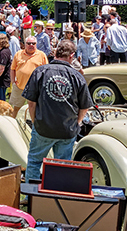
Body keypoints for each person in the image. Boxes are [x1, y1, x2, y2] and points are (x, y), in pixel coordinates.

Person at [23, 40, 92, 182]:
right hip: (67, 129)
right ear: (72, 56)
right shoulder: (77, 76)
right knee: (62, 166)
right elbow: (84, 106)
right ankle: (57, 199)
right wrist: (77, 123)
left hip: (43, 127)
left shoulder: (40, 71)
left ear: (55, 53)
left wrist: (36, 122)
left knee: (35, 163)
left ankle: (32, 199)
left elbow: (31, 102)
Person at [9, 35, 49, 109]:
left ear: (36, 44)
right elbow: (12, 69)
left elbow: (46, 71)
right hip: (19, 87)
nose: (31, 45)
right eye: (29, 43)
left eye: (33, 43)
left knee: (33, 108)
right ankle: (13, 120)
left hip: (35, 88)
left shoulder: (41, 55)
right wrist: (13, 82)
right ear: (25, 44)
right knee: (16, 109)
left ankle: (31, 120)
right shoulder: (18, 54)